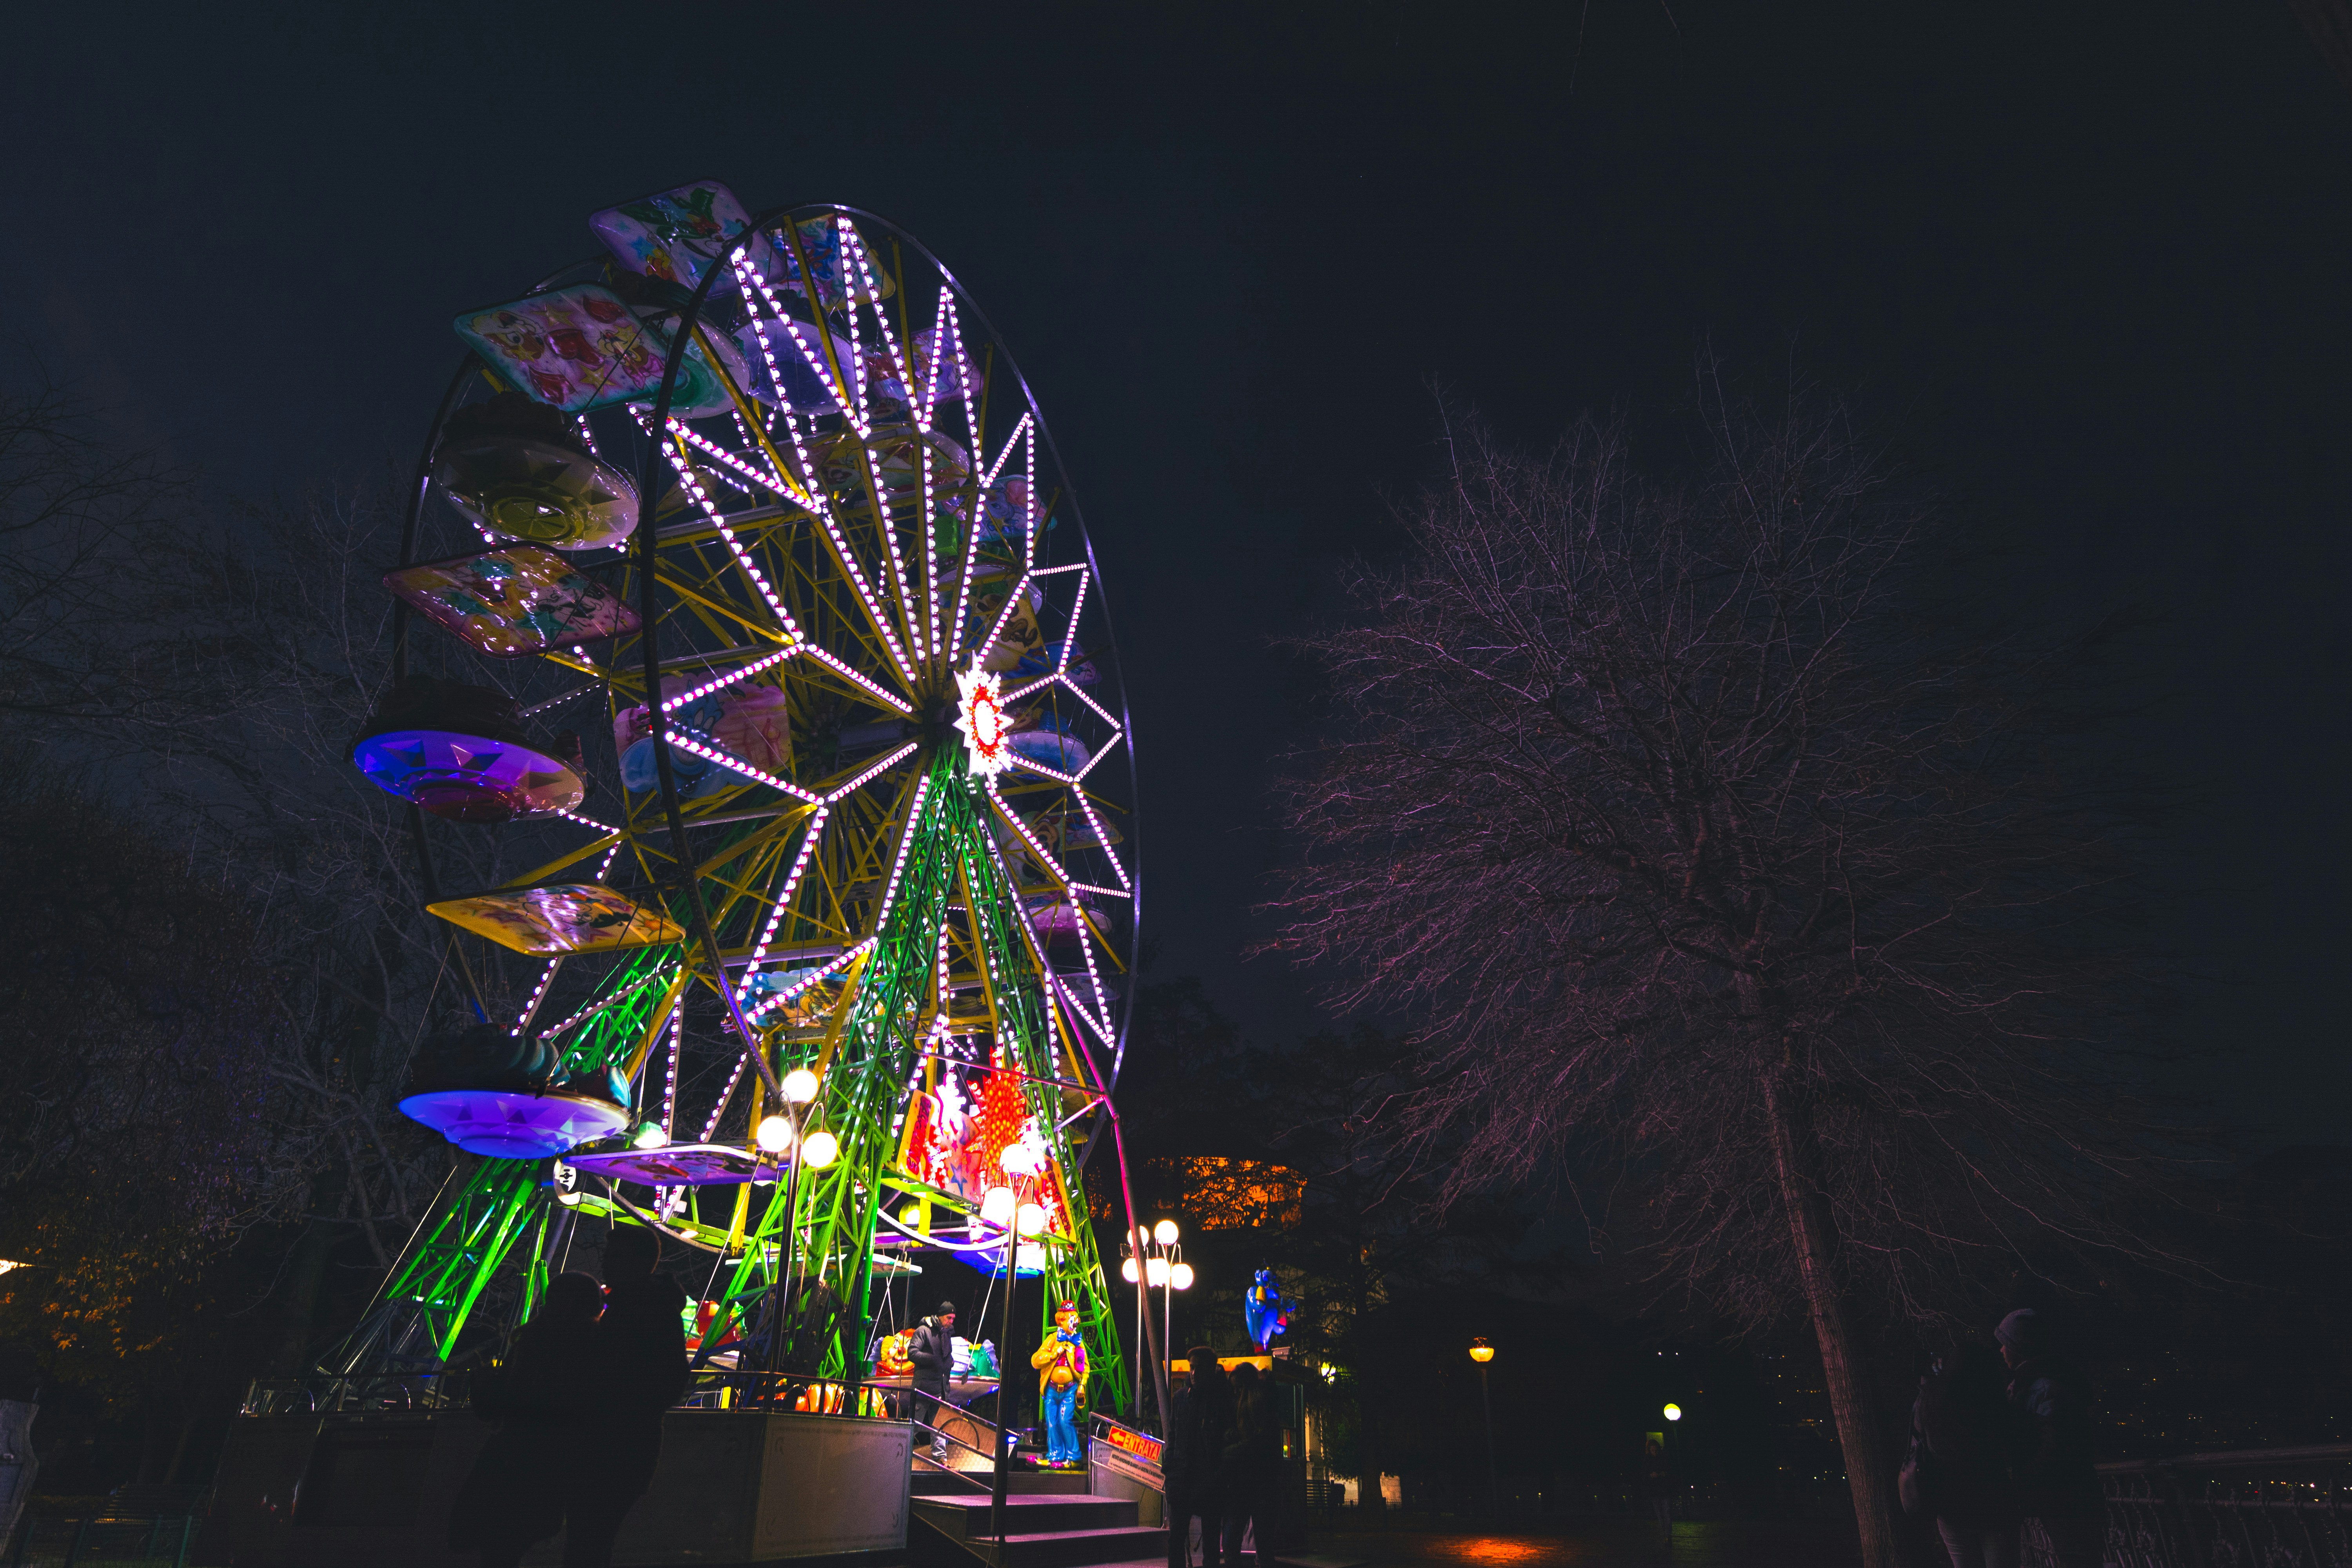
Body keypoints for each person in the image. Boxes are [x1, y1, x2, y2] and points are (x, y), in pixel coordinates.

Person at [448, 1271, 604, 1568]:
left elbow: (499, 1405)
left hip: (513, 1452)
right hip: (559, 1458)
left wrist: (485, 1383)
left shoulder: (531, 1342)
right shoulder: (596, 1345)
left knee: (498, 1544)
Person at [561, 1226, 687, 1568]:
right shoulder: (650, 1307)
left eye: (614, 1256)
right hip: (626, 1445)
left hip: (613, 1444)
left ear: (636, 1261)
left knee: (587, 1540)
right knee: (593, 1540)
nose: (606, 1263)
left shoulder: (634, 1310)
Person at [1996, 1308, 2103, 1568]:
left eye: (2004, 1344)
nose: (2001, 1351)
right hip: (2065, 1495)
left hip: (2064, 1497)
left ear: (2018, 1346)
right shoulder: (2038, 1383)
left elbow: (2056, 1447)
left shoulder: (2042, 1388)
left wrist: (2024, 1481)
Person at [1909, 1343, 2021, 1568]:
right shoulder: (1990, 1399)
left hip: (1950, 1502)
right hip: (1993, 1499)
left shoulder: (1930, 1398)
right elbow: (2010, 1442)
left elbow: (1919, 1433)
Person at [1162, 1348, 1234, 1568]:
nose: (1193, 1373)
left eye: (1198, 1368)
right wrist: (1170, 1470)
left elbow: (1226, 1439)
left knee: (1211, 1543)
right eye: (1191, 1367)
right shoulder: (1182, 1398)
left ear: (1210, 1370)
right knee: (1177, 1539)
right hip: (1184, 1478)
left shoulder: (1221, 1400)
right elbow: (1173, 1435)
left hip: (1208, 1479)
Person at [1220, 1362, 1279, 1568]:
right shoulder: (1257, 1404)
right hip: (1257, 1484)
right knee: (1262, 1546)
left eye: (1238, 1389)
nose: (1235, 1394)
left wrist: (1230, 1450)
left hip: (1248, 1483)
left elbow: (1256, 1442)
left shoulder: (1256, 1404)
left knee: (1233, 1540)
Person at [1031, 1299, 1089, 1468]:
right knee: (1051, 1422)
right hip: (1051, 1389)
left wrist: (1082, 1386)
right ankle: (1055, 1457)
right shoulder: (1052, 1340)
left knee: (1065, 1421)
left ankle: (1074, 1457)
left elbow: (1085, 1369)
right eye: (1070, 1320)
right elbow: (1035, 1361)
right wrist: (1053, 1355)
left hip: (1070, 1390)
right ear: (1061, 1320)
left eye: (1075, 1320)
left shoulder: (1078, 1343)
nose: (1074, 1323)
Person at [909, 1301, 959, 1466]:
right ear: (940, 1316)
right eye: (949, 1317)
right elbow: (912, 1353)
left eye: (953, 1318)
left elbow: (946, 1357)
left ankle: (940, 1457)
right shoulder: (923, 1331)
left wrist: (950, 1362)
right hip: (923, 1388)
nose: (951, 1321)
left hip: (940, 1388)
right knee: (914, 1424)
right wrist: (933, 1360)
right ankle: (901, 1452)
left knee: (939, 1426)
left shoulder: (946, 1335)